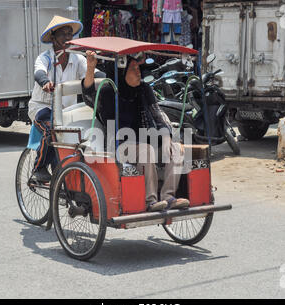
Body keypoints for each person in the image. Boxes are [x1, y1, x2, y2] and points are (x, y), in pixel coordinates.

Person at [82, 50, 190, 212]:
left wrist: (167, 138)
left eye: (138, 68)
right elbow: (89, 95)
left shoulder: (144, 89)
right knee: (146, 150)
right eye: (133, 69)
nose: (138, 72)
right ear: (122, 72)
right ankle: (150, 201)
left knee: (178, 148)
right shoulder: (108, 92)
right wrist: (90, 68)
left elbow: (158, 115)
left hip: (148, 143)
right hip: (119, 147)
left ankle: (168, 196)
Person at [28, 16, 98, 183]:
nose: (67, 38)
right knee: (51, 128)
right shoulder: (45, 58)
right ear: (53, 37)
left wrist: (100, 75)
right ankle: (39, 167)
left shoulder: (78, 59)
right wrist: (45, 82)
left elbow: (95, 76)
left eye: (70, 34)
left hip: (67, 112)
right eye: (63, 34)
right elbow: (39, 73)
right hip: (42, 108)